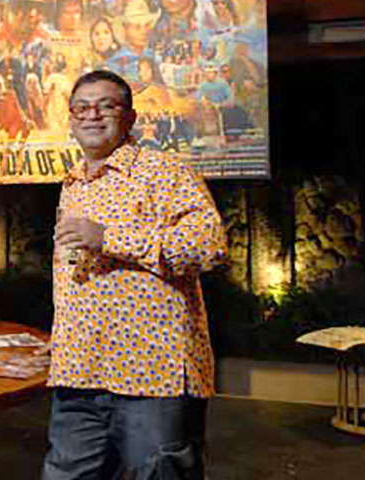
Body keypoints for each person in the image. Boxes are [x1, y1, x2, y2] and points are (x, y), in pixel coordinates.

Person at [44, 69, 227, 480]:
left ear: (129, 117)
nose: (92, 115)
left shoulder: (165, 172)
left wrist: (110, 237)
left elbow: (209, 244)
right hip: (79, 370)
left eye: (105, 106)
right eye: (81, 108)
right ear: (70, 119)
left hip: (152, 375)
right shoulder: (73, 183)